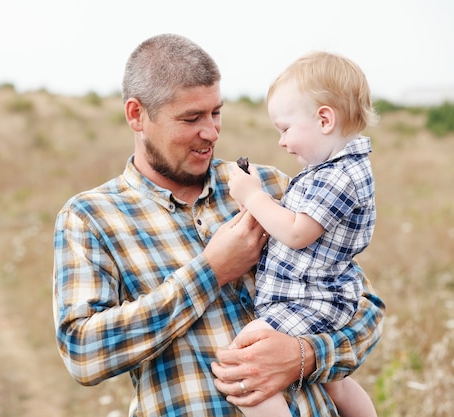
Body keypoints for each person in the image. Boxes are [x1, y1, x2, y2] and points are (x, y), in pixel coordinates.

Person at [52, 33, 385, 416]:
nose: (210, 132)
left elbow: (364, 308)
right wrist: (210, 272)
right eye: (191, 118)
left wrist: (303, 356)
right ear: (136, 115)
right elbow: (83, 354)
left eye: (215, 113)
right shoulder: (91, 218)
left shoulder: (271, 188)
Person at [227, 51, 379, 417]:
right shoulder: (328, 170)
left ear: (324, 119)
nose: (281, 141)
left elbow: (297, 233)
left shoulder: (340, 176)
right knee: (334, 382)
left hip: (309, 300)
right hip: (308, 295)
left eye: (285, 128)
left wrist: (252, 196)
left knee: (244, 364)